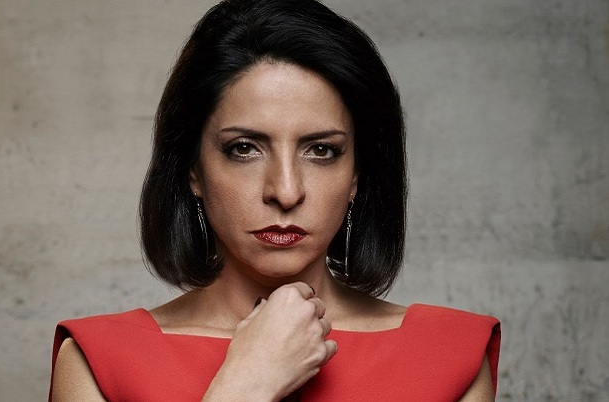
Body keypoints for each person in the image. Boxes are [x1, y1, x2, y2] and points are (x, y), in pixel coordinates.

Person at [49, 0, 501, 400]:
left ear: (357, 174)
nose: (285, 191)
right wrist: (247, 384)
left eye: (321, 150)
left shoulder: (449, 357)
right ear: (192, 168)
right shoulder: (100, 362)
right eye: (244, 148)